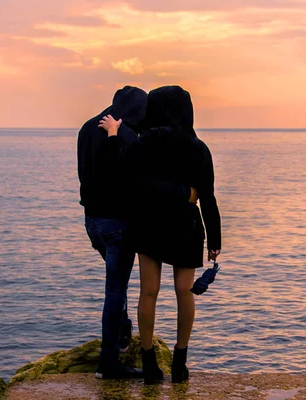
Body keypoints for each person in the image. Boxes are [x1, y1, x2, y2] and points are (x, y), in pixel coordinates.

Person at [103, 85, 222, 384]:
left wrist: (114, 134)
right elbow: (207, 197)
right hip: (185, 226)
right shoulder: (198, 148)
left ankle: (150, 365)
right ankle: (180, 363)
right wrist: (215, 242)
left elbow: (123, 169)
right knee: (184, 291)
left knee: (148, 292)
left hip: (150, 222)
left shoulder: (148, 141)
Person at [77, 86, 197, 379]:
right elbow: (138, 181)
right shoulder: (129, 137)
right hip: (118, 223)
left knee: (119, 286)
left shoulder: (86, 128)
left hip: (92, 221)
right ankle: (109, 361)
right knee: (116, 291)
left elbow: (87, 171)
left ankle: (122, 333)